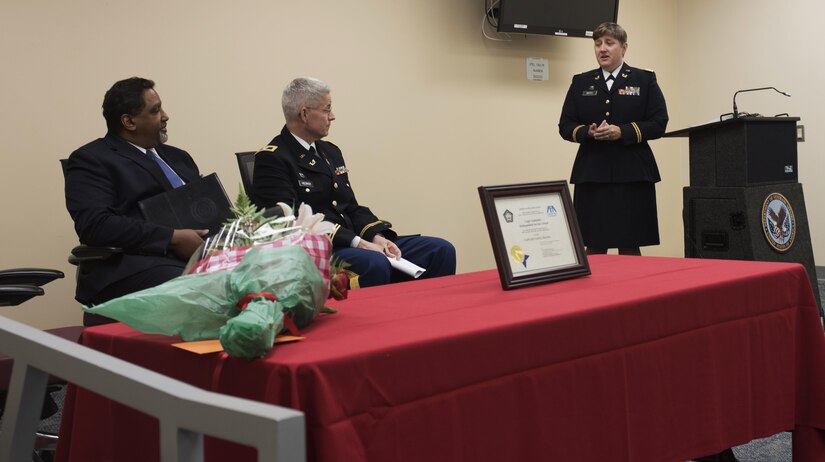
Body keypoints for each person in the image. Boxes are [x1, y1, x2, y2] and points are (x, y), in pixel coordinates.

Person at [252, 77, 456, 287]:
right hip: (321, 251)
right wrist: (358, 242)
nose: (332, 116)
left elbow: (349, 206)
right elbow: (291, 222)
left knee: (440, 249)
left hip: (356, 242)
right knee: (374, 262)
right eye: (326, 109)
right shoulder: (273, 158)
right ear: (304, 114)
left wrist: (376, 236)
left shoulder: (330, 151)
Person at [64, 77, 207, 326]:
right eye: (155, 110)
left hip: (203, 250)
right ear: (128, 121)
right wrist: (172, 238)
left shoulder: (178, 157)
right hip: (137, 262)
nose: (166, 116)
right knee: (205, 286)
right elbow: (95, 225)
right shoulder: (91, 159)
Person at [558, 22, 668, 256]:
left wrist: (623, 132)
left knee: (630, 245)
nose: (602, 49)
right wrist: (587, 132)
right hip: (593, 175)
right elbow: (566, 125)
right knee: (594, 246)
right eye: (597, 44)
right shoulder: (581, 82)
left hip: (633, 174)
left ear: (624, 47)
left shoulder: (644, 79)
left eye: (609, 43)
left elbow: (659, 122)